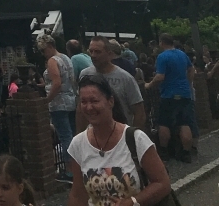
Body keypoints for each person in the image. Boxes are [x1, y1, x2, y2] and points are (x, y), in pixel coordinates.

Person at [67, 73, 171, 206]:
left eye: (94, 101)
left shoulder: (135, 139)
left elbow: (162, 183)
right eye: (84, 102)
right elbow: (77, 195)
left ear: (110, 101)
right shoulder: (78, 144)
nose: (89, 107)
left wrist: (132, 202)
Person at [145, 32, 196, 162]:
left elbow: (160, 76)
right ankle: (186, 153)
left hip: (169, 94)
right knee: (184, 123)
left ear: (161, 42)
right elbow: (191, 69)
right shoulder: (182, 54)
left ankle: (164, 151)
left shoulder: (162, 57)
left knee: (164, 123)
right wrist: (188, 83)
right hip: (184, 93)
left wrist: (149, 84)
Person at [77, 37, 147, 131]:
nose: (93, 55)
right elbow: (80, 110)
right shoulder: (84, 75)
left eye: (98, 52)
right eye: (91, 51)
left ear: (109, 54)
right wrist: (79, 134)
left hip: (120, 133)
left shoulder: (125, 78)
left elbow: (139, 112)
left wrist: (132, 135)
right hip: (93, 134)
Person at [36, 33, 76, 182]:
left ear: (49, 46)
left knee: (65, 137)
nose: (43, 53)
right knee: (73, 135)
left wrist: (47, 100)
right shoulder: (66, 58)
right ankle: (77, 167)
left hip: (59, 103)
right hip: (71, 100)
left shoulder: (52, 61)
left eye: (43, 50)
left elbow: (56, 83)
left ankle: (69, 171)